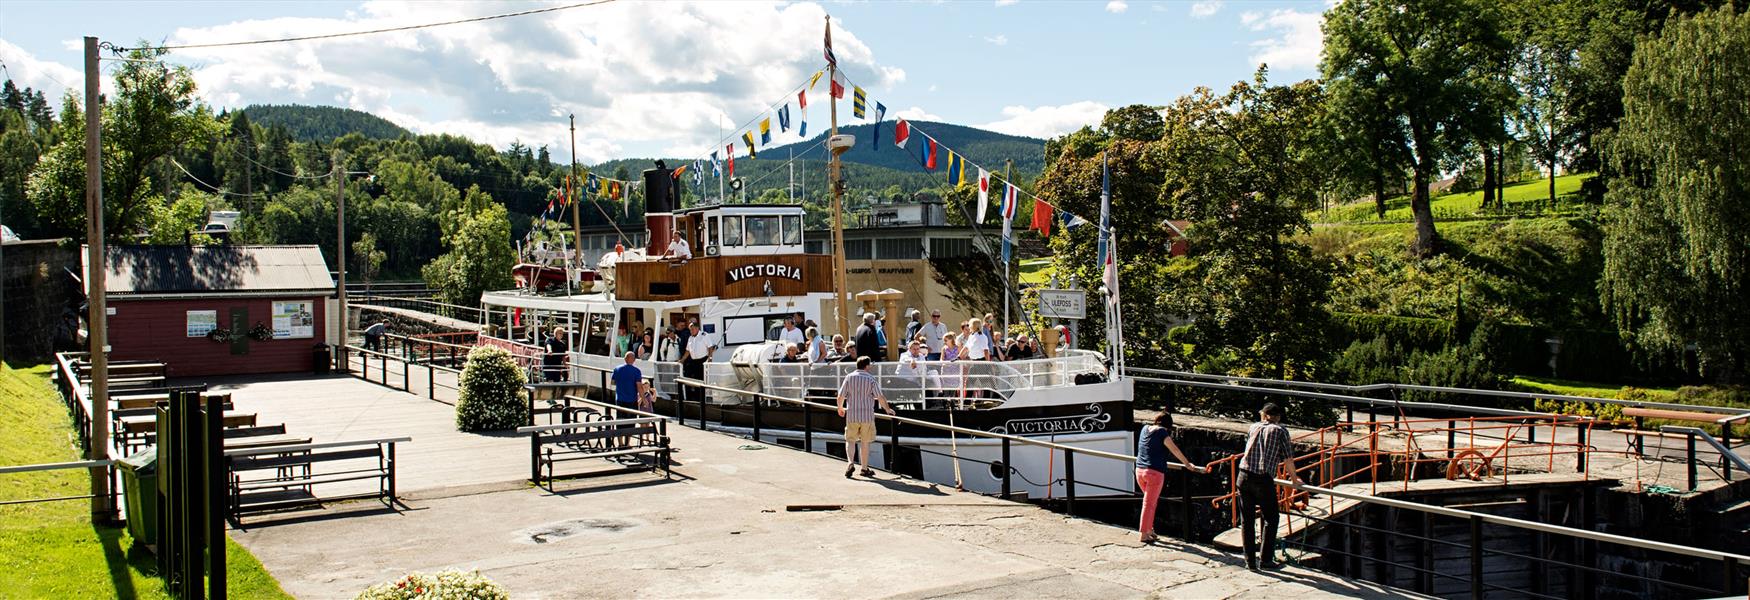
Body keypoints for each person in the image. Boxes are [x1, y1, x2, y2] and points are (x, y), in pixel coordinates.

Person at [1239, 402, 1302, 570]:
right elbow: (1288, 458)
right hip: (1262, 478)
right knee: (1271, 518)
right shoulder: (1280, 431)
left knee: (1247, 521)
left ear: (1264, 415)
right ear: (1277, 417)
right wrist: (1295, 480)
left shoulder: (1254, 427)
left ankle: (1250, 562)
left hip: (1243, 476)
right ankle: (1266, 560)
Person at [1135, 412, 1205, 544]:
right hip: (1154, 473)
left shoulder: (1144, 429)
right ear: (1168, 425)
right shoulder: (1162, 432)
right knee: (1149, 504)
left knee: (1150, 503)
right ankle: (1144, 534)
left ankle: (1149, 530)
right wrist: (1187, 464)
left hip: (1139, 470)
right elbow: (1174, 450)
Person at [837, 356, 896, 479]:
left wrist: (840, 408)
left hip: (852, 414)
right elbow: (880, 397)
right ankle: (864, 468)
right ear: (867, 366)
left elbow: (841, 395)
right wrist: (888, 409)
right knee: (865, 442)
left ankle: (850, 462)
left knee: (850, 440)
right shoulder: (871, 379)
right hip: (867, 416)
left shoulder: (849, 377)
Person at [681, 321, 715, 406]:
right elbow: (688, 351)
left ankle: (702, 399)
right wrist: (682, 360)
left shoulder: (704, 335)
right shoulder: (690, 338)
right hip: (694, 361)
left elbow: (710, 347)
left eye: (692, 329)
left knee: (701, 379)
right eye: (690, 329)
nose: (691, 331)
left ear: (697, 328)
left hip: (702, 360)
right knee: (693, 379)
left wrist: (710, 358)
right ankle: (695, 398)